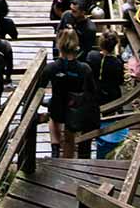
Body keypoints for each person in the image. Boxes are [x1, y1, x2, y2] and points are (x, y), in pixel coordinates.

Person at [40, 27, 100, 159]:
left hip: (57, 105)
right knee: (70, 137)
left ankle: (55, 147)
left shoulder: (51, 67)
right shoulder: (84, 68)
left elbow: (40, 87)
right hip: (74, 107)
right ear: (76, 46)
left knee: (53, 116)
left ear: (59, 45)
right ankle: (67, 161)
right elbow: (92, 91)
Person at [86, 31, 124, 106]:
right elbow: (120, 81)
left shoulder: (91, 55)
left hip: (94, 92)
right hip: (109, 95)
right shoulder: (117, 63)